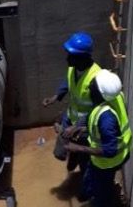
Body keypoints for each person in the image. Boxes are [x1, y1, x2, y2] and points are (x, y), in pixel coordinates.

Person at [63, 69, 133, 207]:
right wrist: (80, 128)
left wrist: (78, 149)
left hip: (107, 162)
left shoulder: (106, 117)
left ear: (99, 92)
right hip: (119, 155)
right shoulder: (114, 97)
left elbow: (109, 150)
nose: (91, 84)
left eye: (93, 84)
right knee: (98, 188)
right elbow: (101, 126)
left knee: (102, 195)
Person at [42, 32, 102, 174]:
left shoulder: (96, 79)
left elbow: (97, 109)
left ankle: (80, 168)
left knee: (83, 155)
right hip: (70, 117)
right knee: (61, 151)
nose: (67, 58)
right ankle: (72, 157)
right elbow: (68, 82)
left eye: (71, 54)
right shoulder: (73, 68)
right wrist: (55, 97)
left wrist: (77, 126)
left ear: (82, 57)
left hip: (83, 125)